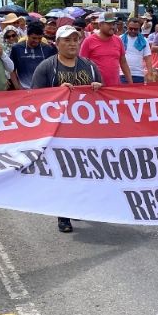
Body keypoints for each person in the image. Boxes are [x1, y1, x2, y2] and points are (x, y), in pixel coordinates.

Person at [30, 25, 103, 233]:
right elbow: (34, 99)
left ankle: (79, 207)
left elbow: (105, 98)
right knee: (64, 173)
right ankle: (64, 214)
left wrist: (98, 89)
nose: (72, 44)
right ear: (57, 43)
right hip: (58, 132)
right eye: (67, 40)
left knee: (84, 172)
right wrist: (55, 92)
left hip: (84, 131)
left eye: (75, 40)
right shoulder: (47, 67)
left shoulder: (89, 66)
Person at [80, 12, 131, 86]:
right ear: (100, 25)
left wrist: (131, 83)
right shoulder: (88, 41)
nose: (112, 27)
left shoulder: (118, 40)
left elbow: (123, 62)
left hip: (115, 87)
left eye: (113, 24)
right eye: (109, 24)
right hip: (96, 88)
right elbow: (82, 65)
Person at [9, 21, 56, 90]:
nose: (37, 41)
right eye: (34, 38)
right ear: (27, 35)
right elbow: (12, 69)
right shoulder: (17, 48)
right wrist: (17, 86)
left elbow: (52, 70)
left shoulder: (48, 49)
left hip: (42, 90)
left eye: (39, 38)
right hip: (23, 89)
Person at [120, 17, 152, 83]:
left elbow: (148, 58)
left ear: (139, 28)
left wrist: (150, 74)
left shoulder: (144, 41)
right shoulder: (119, 39)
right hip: (122, 74)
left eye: (136, 29)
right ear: (127, 26)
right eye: (131, 29)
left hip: (138, 75)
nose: (133, 31)